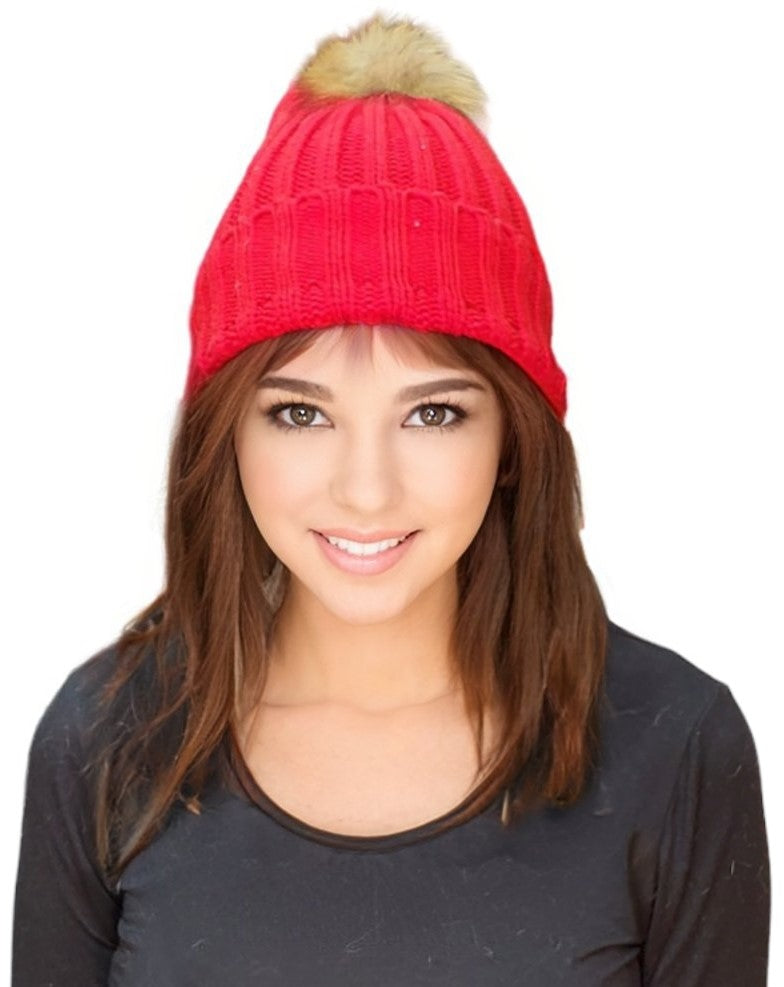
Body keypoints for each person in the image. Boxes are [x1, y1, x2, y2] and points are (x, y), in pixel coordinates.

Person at [12, 13, 769, 986]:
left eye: (432, 414)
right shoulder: (105, 742)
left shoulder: (677, 749)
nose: (365, 489)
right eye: (299, 414)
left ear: (512, 439)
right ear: (226, 435)